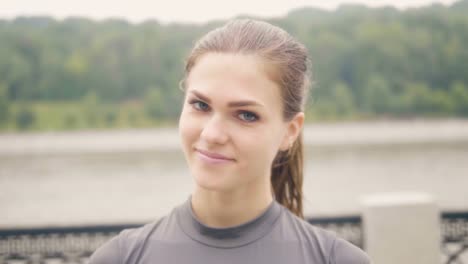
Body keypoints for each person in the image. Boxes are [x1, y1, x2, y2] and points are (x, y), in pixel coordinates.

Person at [88, 19, 371, 264]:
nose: (212, 134)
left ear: (290, 131)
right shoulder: (121, 258)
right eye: (200, 105)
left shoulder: (336, 260)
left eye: (246, 115)